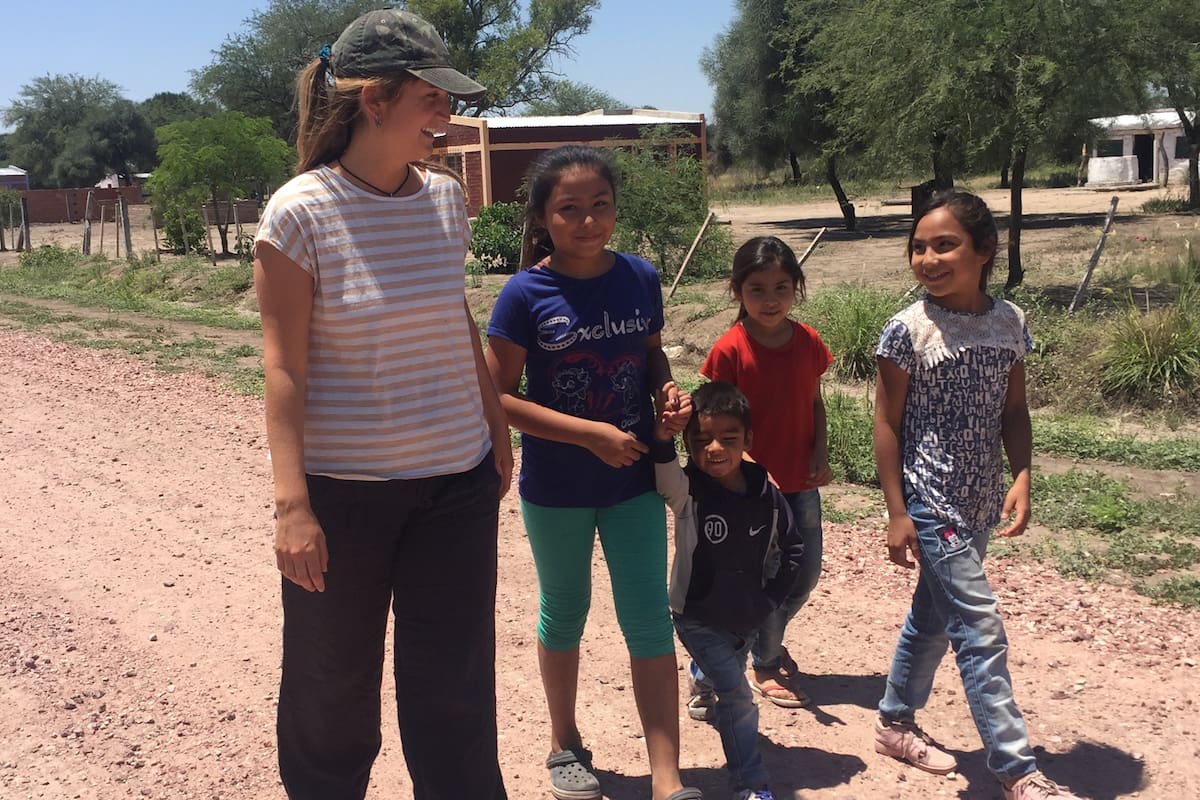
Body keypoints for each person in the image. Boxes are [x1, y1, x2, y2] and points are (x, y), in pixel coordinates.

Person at [252, 9, 513, 800]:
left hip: (455, 485)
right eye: (430, 97)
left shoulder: (444, 199)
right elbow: (283, 367)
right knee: (331, 695)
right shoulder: (299, 213)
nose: (446, 113)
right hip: (344, 499)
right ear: (374, 101)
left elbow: (455, 319)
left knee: (456, 692)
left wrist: (495, 429)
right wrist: (292, 505)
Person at [485, 144, 701, 800]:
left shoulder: (640, 276)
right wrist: (589, 435)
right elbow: (496, 397)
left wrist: (667, 394)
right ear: (542, 218)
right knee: (565, 612)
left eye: (600, 205)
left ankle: (666, 776)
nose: (587, 221)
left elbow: (652, 353)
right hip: (557, 489)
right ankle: (564, 743)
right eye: (569, 209)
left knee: (648, 618)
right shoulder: (524, 294)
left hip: (632, 481)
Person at [872, 190, 1085, 800]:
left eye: (945, 245)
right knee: (978, 626)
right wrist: (896, 510)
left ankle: (893, 723)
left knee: (933, 617)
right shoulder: (907, 330)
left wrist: (1022, 473)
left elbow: (1014, 410)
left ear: (984, 250)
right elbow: (886, 422)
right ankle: (1017, 770)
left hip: (980, 498)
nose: (928, 259)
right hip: (930, 499)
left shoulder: (1010, 321)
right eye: (919, 247)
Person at [695, 236, 832, 717]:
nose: (770, 299)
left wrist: (821, 450)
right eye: (757, 289)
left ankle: (757, 642)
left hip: (799, 483)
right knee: (757, 580)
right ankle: (764, 663)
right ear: (738, 291)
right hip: (747, 493)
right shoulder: (730, 350)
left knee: (804, 574)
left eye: (781, 288)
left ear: (796, 288)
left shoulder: (808, 342)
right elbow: (712, 421)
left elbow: (815, 403)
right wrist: (741, 470)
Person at [653, 381, 805, 800]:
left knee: (727, 673)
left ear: (748, 440)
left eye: (728, 438)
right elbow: (663, 475)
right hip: (696, 615)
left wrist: (769, 601)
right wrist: (662, 437)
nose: (715, 448)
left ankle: (701, 681)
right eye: (701, 440)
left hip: (746, 617)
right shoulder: (688, 491)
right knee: (737, 696)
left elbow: (793, 549)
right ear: (688, 444)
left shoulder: (766, 494)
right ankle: (750, 784)